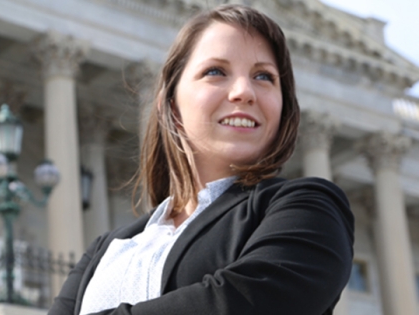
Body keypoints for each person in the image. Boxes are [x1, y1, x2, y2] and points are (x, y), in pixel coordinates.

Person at [49, 4, 354, 315]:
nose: (244, 91)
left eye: (264, 76)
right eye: (215, 72)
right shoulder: (105, 250)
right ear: (171, 105)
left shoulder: (309, 208)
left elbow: (243, 302)